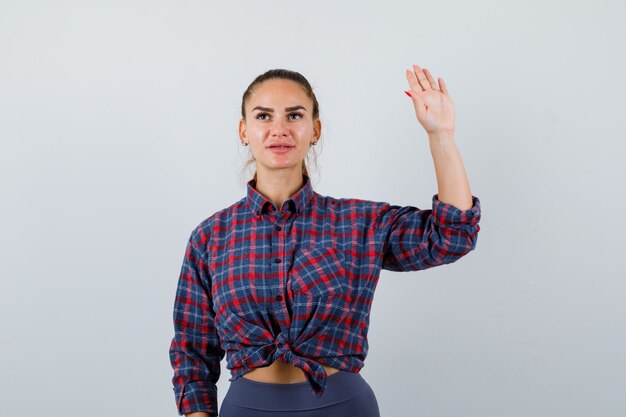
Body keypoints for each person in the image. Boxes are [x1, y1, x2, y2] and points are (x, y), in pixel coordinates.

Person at [169, 65, 482, 417]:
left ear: (315, 129)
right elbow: (192, 354)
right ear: (244, 130)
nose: (279, 129)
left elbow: (451, 236)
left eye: (294, 115)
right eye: (263, 116)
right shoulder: (211, 237)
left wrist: (441, 136)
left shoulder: (359, 223)